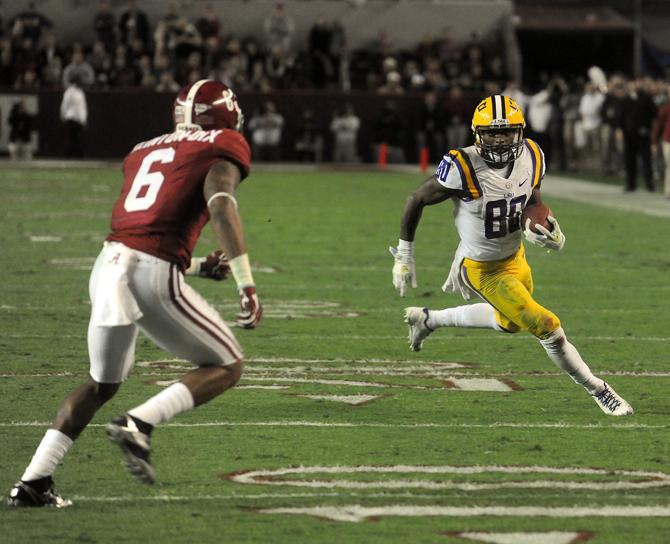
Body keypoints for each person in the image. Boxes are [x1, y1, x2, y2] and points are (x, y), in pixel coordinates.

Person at [8, 79, 263, 508]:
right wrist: (246, 282)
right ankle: (140, 422)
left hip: (108, 265)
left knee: (100, 383)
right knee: (228, 364)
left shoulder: (143, 149)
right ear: (225, 115)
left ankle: (33, 481)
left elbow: (143, 231)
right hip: (150, 269)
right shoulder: (222, 143)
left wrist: (199, 266)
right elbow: (220, 203)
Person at [390, 94, 633, 417]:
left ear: (520, 132)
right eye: (492, 132)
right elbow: (415, 199)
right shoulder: (463, 166)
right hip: (482, 268)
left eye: (507, 131)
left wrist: (543, 225)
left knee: (510, 323)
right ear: (478, 134)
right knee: (546, 325)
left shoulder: (532, 154)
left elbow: (531, 199)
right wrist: (404, 254)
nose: (500, 139)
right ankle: (599, 389)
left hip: (515, 257)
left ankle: (429, 319)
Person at [620, 78, 657, 192]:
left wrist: (648, 129)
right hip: (629, 134)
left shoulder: (646, 98)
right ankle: (631, 184)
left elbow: (654, 115)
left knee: (646, 160)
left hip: (643, 134)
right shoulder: (625, 99)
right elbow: (621, 117)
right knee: (629, 160)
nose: (635, 85)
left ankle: (649, 184)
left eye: (637, 82)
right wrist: (620, 130)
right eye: (633, 82)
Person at [60, 75, 87, 157]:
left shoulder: (80, 92)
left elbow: (82, 107)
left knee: (77, 138)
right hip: (70, 118)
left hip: (78, 120)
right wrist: (62, 115)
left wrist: (83, 119)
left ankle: (77, 155)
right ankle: (68, 155)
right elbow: (64, 104)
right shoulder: (69, 92)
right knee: (71, 138)